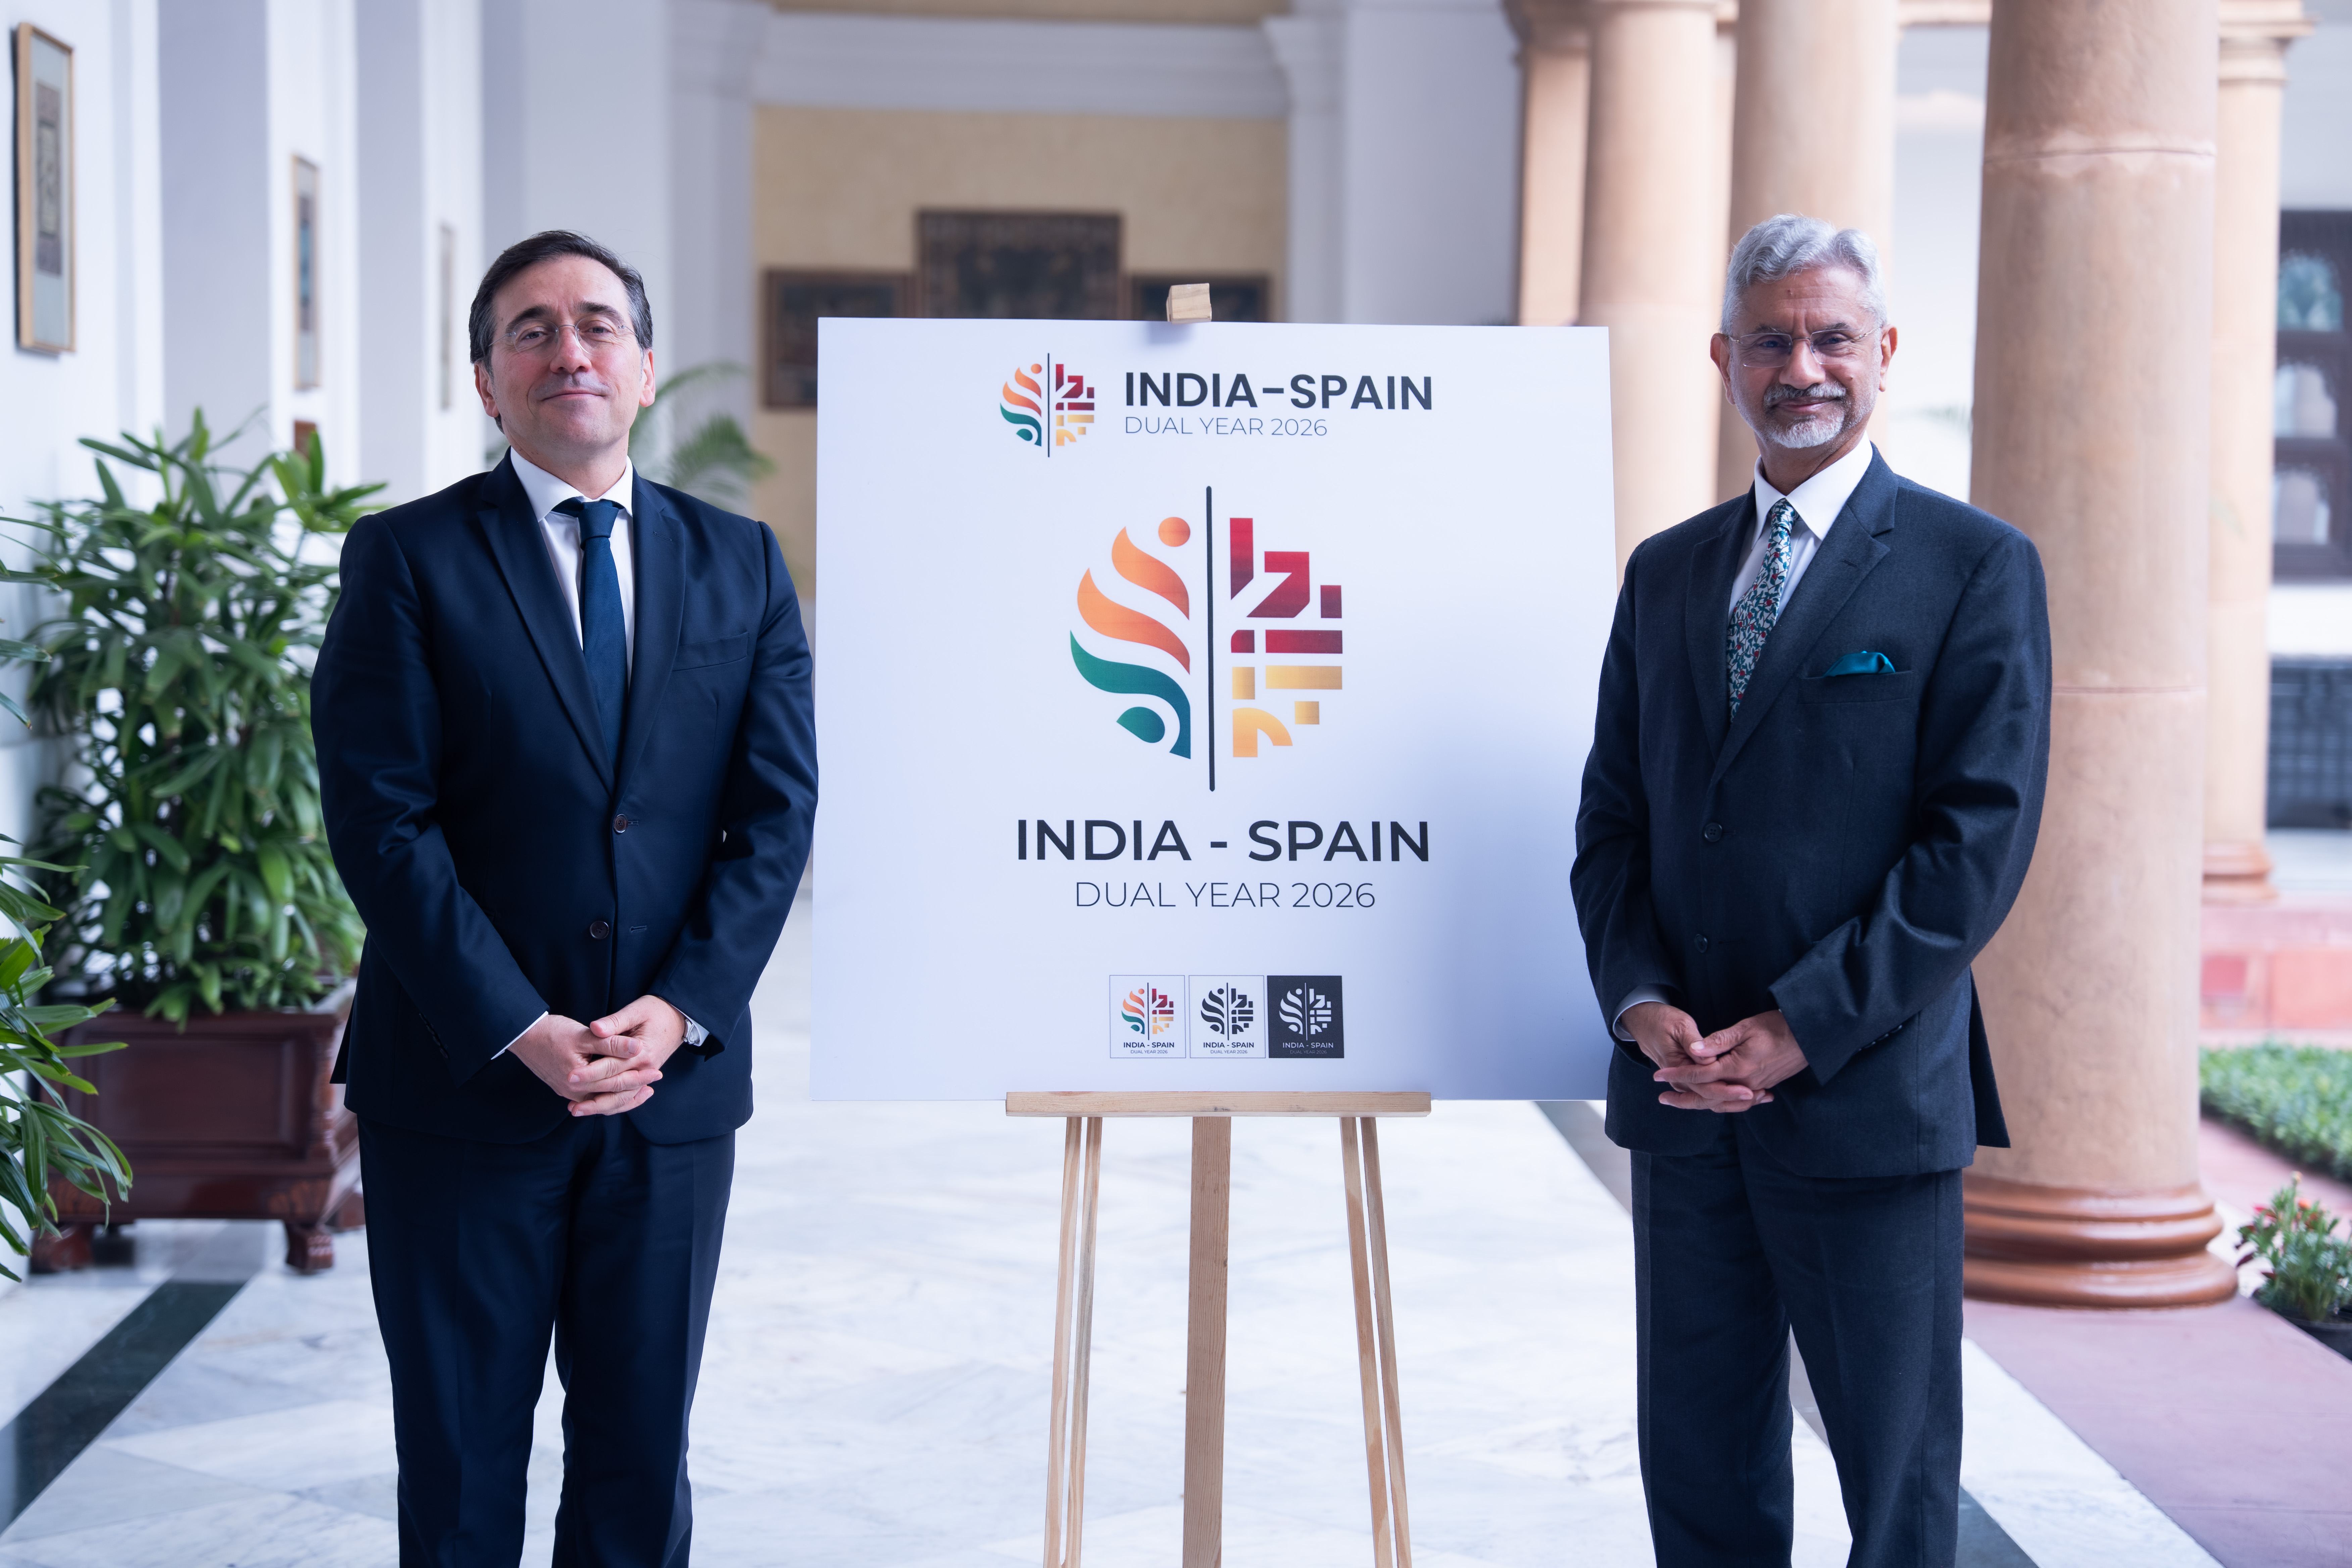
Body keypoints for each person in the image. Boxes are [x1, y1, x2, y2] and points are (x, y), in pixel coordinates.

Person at [314, 230, 816, 1566]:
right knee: (460, 1464)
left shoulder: (742, 563)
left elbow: (776, 818)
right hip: (461, 1087)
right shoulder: (406, 559)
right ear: (487, 380)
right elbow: (381, 821)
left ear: (645, 367)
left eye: (598, 324)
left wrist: (684, 1007)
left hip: (669, 1092)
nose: (568, 350)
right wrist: (517, 1023)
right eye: (529, 330)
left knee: (640, 1467)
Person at [1569, 213, 2051, 1567]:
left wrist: (1799, 1026)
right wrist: (1638, 999)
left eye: (1833, 338)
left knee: (1896, 1488)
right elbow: (1612, 824)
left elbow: (1975, 847)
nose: (1803, 367)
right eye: (1771, 340)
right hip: (1684, 1105)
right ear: (1724, 358)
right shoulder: (1667, 573)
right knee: (1700, 1473)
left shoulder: (1973, 567)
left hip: (1866, 1102)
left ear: (1885, 351)